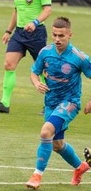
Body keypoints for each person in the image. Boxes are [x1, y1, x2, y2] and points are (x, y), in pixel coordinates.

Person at [26, 17, 91, 189]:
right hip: (51, 103)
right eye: (54, 35)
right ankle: (80, 167)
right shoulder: (45, 52)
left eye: (61, 36)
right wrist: (37, 82)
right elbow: (34, 72)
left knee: (46, 132)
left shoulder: (80, 58)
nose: (57, 39)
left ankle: (36, 176)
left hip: (70, 103)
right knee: (57, 145)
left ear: (70, 35)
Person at [0, 0, 52, 114]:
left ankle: (50, 104)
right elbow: (16, 11)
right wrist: (8, 31)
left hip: (37, 33)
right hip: (19, 33)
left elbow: (47, 10)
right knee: (8, 64)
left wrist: (35, 23)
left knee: (43, 68)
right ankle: (4, 104)